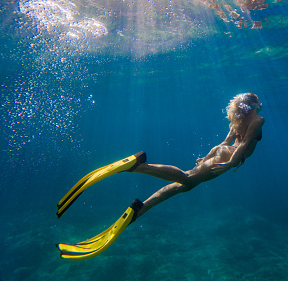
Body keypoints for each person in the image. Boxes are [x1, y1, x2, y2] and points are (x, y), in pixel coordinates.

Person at [56, 93, 264, 260]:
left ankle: (141, 208)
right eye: (258, 103)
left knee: (185, 185)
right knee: (187, 178)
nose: (259, 106)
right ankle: (139, 166)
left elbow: (223, 142)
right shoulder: (257, 119)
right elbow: (243, 145)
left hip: (222, 155)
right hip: (227, 159)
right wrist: (229, 163)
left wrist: (208, 156)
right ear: (253, 104)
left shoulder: (239, 119)